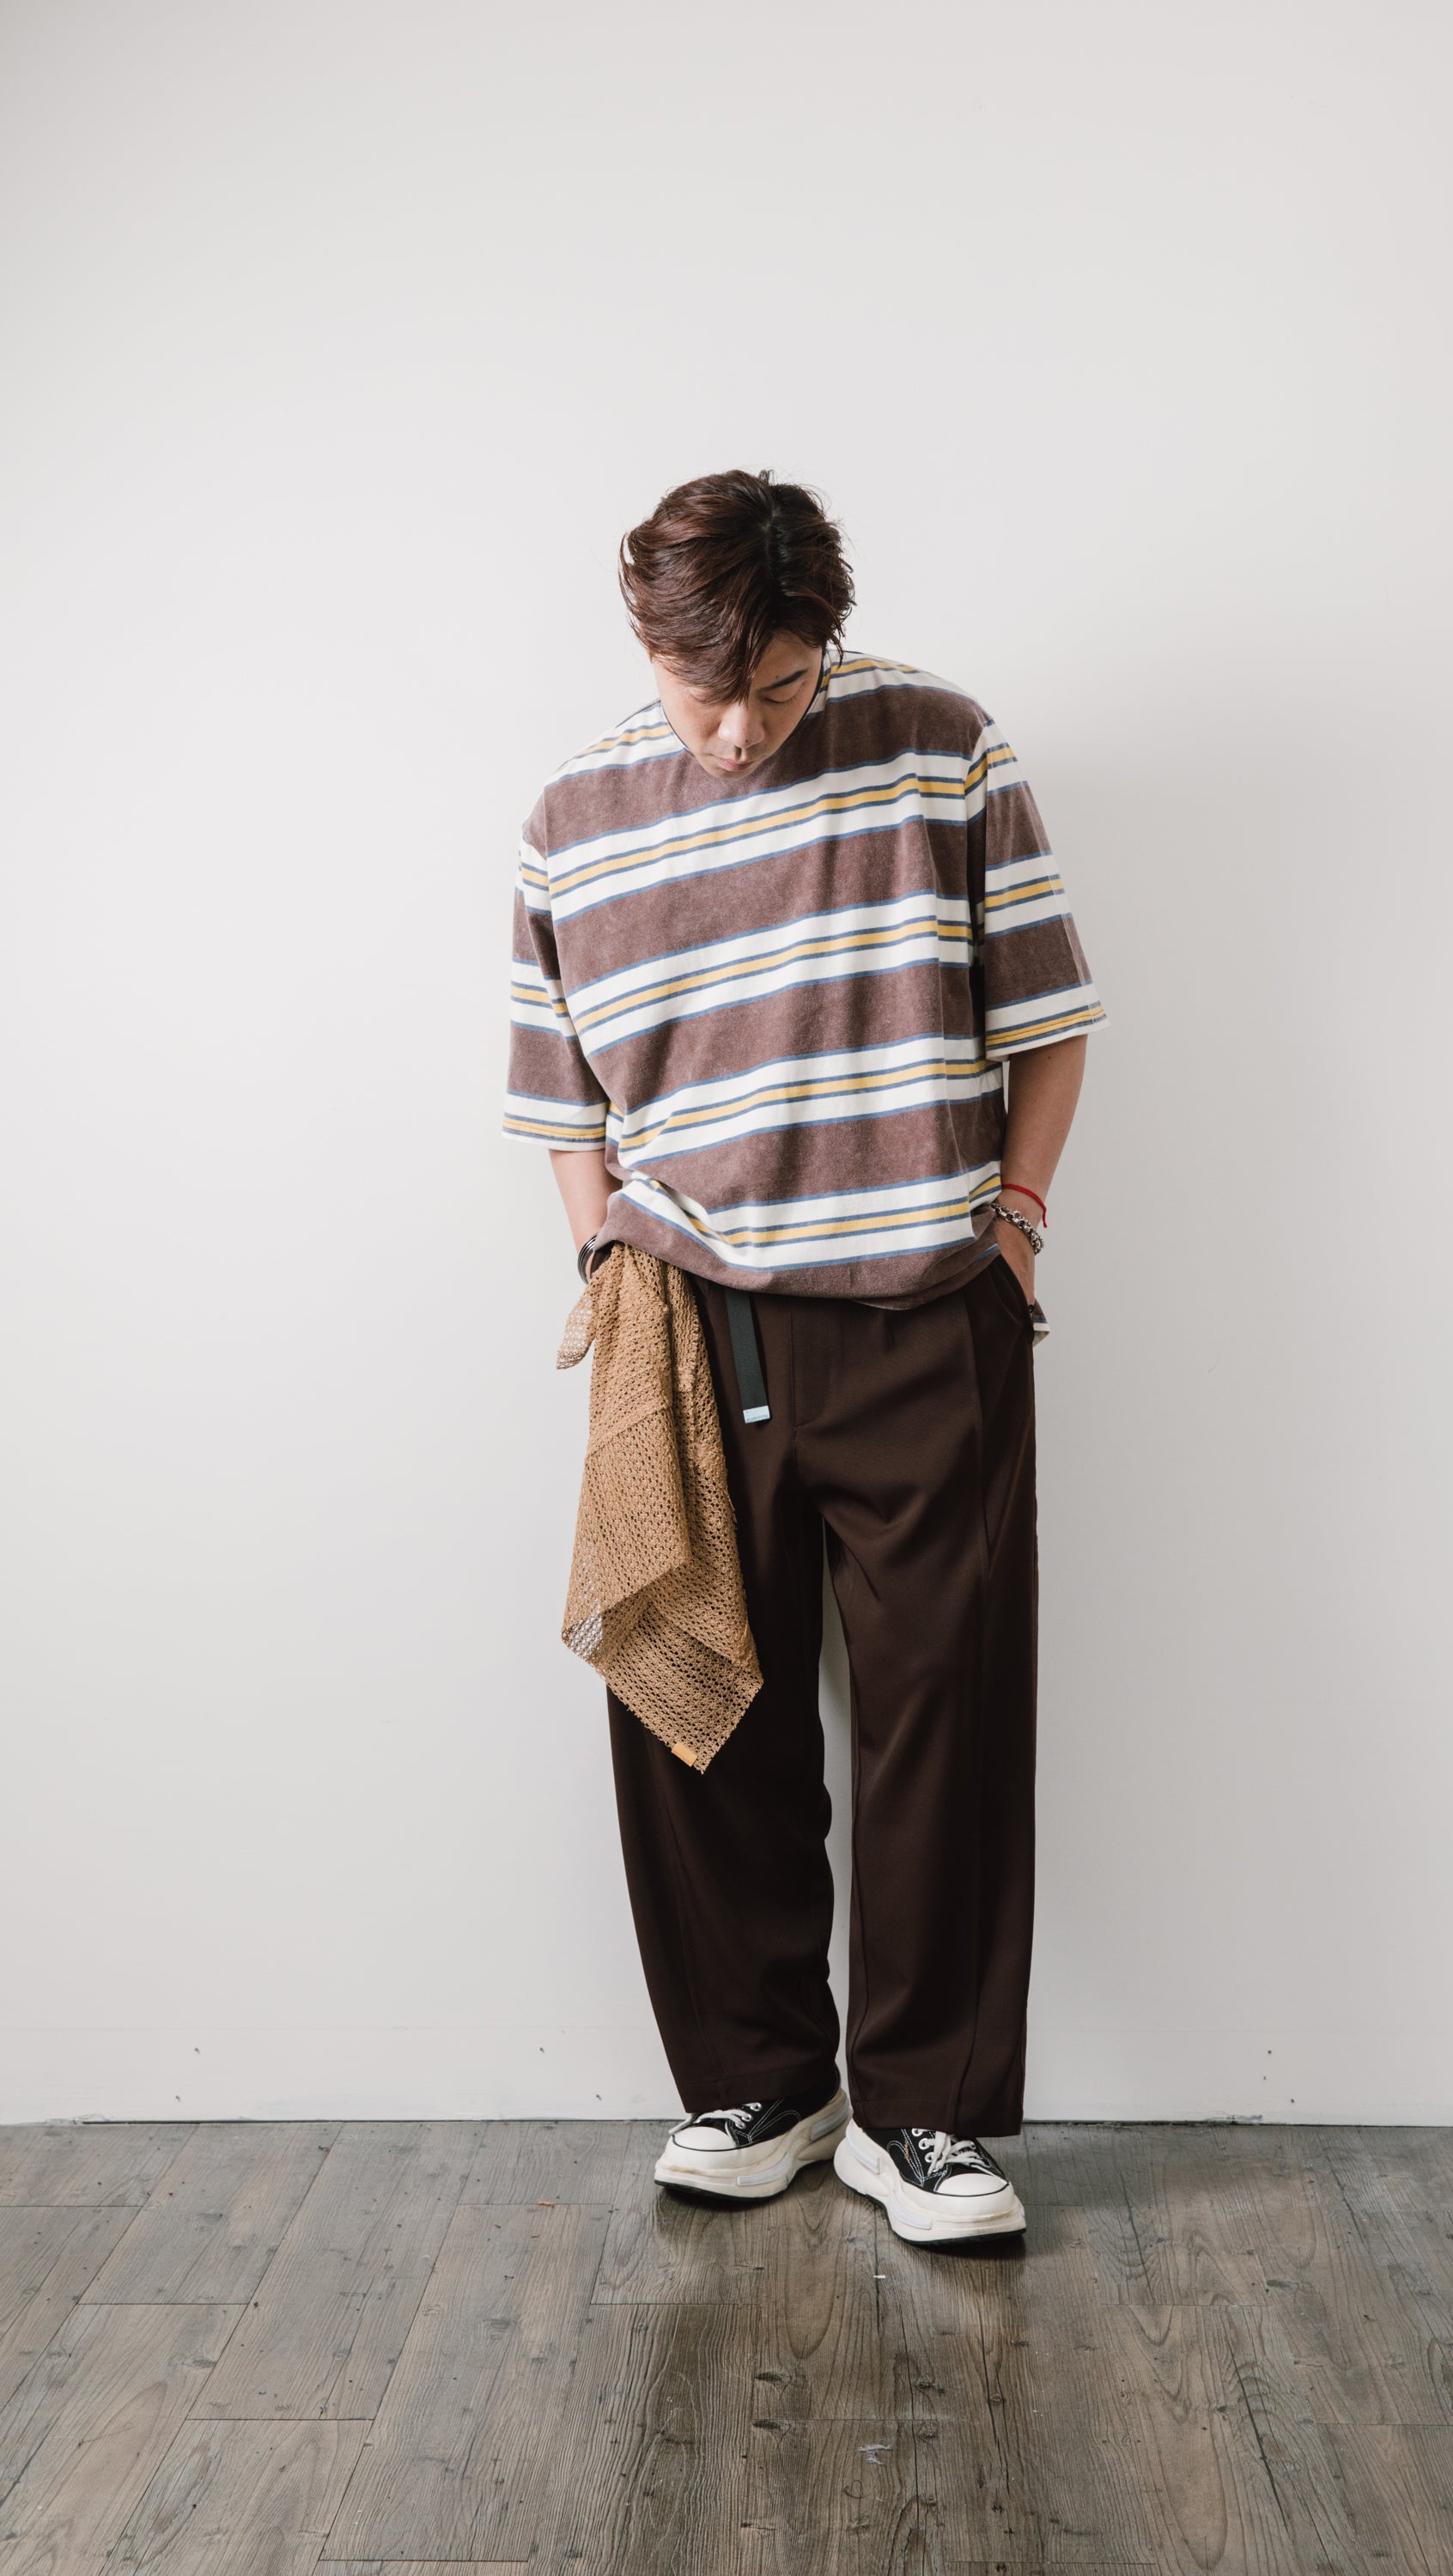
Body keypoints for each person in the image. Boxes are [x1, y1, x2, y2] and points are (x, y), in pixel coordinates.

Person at [505, 469, 1104, 2245]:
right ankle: (759, 2080)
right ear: (649, 641)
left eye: (779, 685)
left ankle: (922, 2118)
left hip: (927, 1309)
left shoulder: (943, 747)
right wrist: (603, 1251)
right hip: (689, 1323)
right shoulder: (573, 816)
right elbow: (558, 1095)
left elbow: (1052, 1019)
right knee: (694, 1709)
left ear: (824, 641)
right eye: (710, 690)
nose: (742, 727)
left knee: (943, 1713)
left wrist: (1015, 1230)